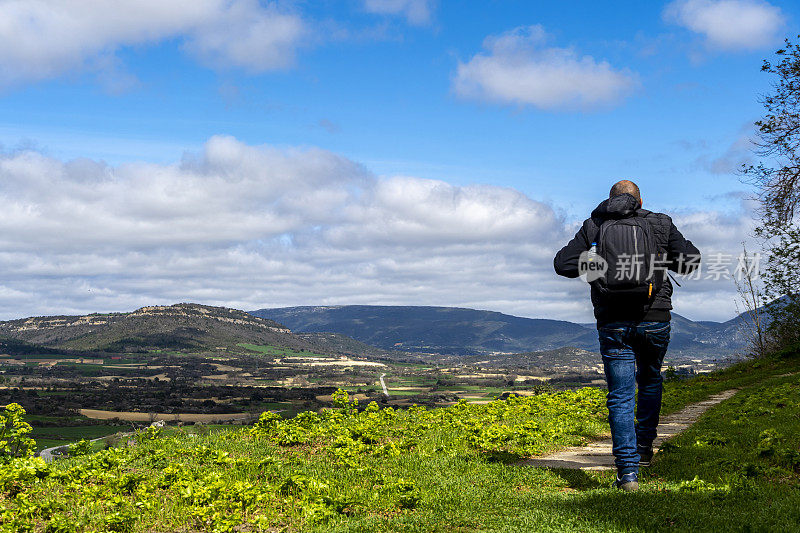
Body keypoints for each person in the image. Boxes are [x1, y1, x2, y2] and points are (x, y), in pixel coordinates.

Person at [553, 180, 700, 491]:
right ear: (639, 200)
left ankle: (628, 474)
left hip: (612, 320)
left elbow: (563, 265)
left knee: (620, 397)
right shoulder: (660, 223)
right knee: (649, 380)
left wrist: (595, 264)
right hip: (655, 318)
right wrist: (658, 261)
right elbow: (691, 261)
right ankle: (645, 448)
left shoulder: (594, 224)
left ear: (610, 200)